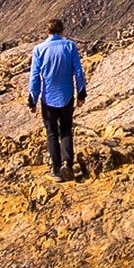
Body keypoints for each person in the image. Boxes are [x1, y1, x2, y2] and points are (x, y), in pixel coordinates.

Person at [28, 18, 87, 181]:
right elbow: (78, 72)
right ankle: (67, 162)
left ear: (47, 32)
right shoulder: (70, 46)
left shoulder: (39, 49)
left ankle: (56, 171)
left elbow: (35, 77)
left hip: (48, 97)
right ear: (62, 30)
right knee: (67, 129)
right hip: (67, 95)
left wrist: (32, 99)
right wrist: (81, 94)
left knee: (52, 133)